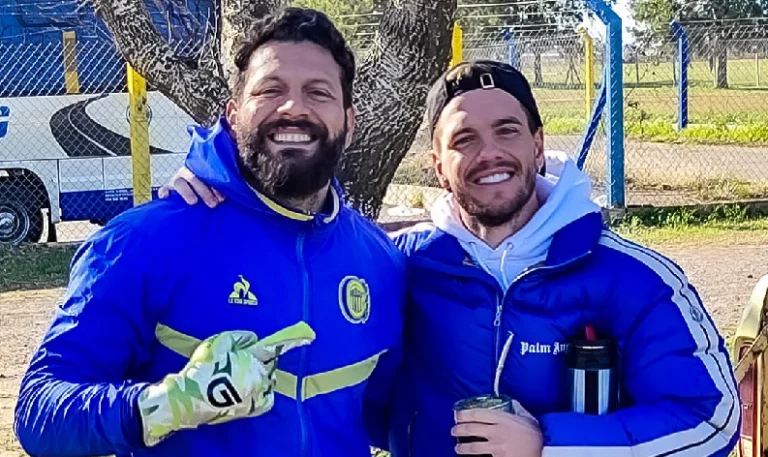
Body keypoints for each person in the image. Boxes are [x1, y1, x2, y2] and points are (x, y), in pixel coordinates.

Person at [158, 60, 741, 457]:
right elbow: (298, 264)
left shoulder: (633, 278)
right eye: (463, 140)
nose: (489, 154)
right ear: (438, 165)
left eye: (507, 131)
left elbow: (711, 419)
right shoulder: (396, 266)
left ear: (538, 145)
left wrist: (550, 444)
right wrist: (220, 181)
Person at [13, 7, 405, 457]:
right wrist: (167, 405)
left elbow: (395, 416)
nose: (293, 108)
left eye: (318, 92)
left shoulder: (381, 261)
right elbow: (39, 415)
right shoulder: (145, 241)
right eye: (270, 90)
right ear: (233, 116)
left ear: (350, 123)